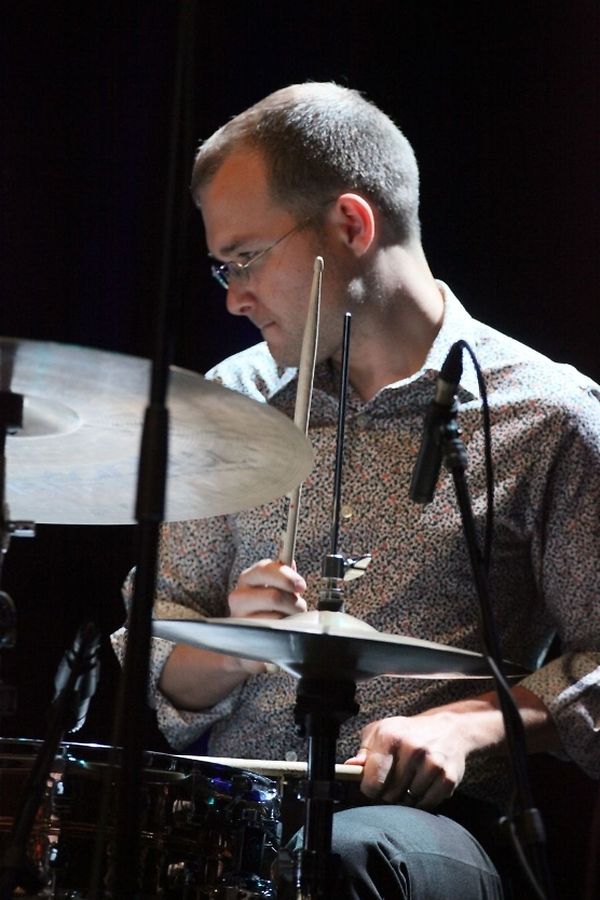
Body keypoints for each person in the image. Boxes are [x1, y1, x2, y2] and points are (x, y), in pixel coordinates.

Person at [112, 82, 600, 898]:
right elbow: (155, 645)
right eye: (221, 267)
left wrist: (468, 726)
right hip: (231, 817)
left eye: (246, 258)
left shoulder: (547, 418)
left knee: (341, 862)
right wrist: (232, 645)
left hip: (425, 829)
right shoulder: (233, 403)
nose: (232, 296)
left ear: (350, 225)